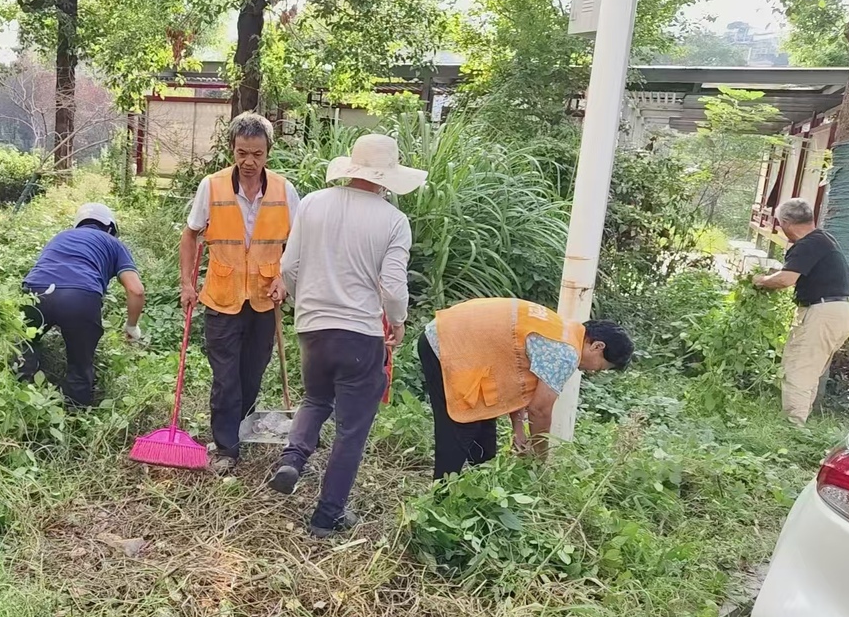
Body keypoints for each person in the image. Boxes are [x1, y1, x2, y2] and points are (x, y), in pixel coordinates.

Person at [268, 133, 425, 538]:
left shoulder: (314, 203)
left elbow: (288, 266)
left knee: (315, 398)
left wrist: (307, 302)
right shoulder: (393, 220)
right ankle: (327, 514)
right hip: (359, 334)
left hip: (312, 328)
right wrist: (399, 320)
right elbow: (392, 286)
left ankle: (292, 458)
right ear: (386, 178)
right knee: (352, 429)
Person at [179, 112, 300, 474]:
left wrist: (286, 278)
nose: (249, 162)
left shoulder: (284, 189)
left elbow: (299, 240)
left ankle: (241, 426)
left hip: (265, 298)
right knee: (225, 377)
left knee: (251, 374)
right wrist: (187, 283)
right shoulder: (212, 186)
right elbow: (190, 235)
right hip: (221, 296)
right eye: (242, 152)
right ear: (232, 149)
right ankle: (226, 447)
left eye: (257, 154)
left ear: (268, 153)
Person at [419, 298, 633, 480]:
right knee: (460, 426)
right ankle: (440, 500)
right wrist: (540, 459)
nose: (594, 372)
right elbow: (539, 410)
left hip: (458, 337)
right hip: (447, 342)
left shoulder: (564, 331)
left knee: (483, 418)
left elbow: (518, 384)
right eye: (602, 367)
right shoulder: (566, 352)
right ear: (597, 347)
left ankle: (480, 483)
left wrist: (519, 431)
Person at [18, 203, 145, 408]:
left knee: (24, 346)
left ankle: (19, 405)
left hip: (35, 292)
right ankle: (75, 421)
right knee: (80, 365)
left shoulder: (60, 237)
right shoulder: (113, 243)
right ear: (111, 227)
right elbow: (136, 290)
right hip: (80, 296)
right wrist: (131, 326)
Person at [753, 197, 849, 425]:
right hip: (839, 310)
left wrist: (760, 281)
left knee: (798, 370)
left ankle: (792, 427)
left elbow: (785, 279)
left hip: (823, 311)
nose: (780, 228)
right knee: (809, 370)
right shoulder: (823, 239)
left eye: (780, 224)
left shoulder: (808, 244)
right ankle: (799, 421)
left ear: (787, 222)